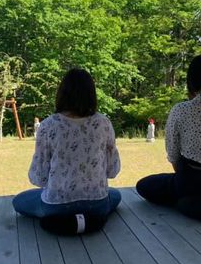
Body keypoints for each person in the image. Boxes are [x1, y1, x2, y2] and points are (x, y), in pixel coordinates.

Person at [13, 68, 122, 233]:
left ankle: (65, 222)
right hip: (96, 204)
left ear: (62, 93)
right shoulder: (103, 123)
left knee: (19, 201)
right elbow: (113, 170)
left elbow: (39, 178)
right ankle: (86, 221)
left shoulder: (49, 125)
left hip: (57, 205)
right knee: (115, 195)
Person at [136, 54, 201, 221]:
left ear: (191, 80)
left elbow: (173, 153)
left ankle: (187, 201)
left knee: (143, 185)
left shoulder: (181, 109)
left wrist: (184, 177)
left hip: (190, 182)